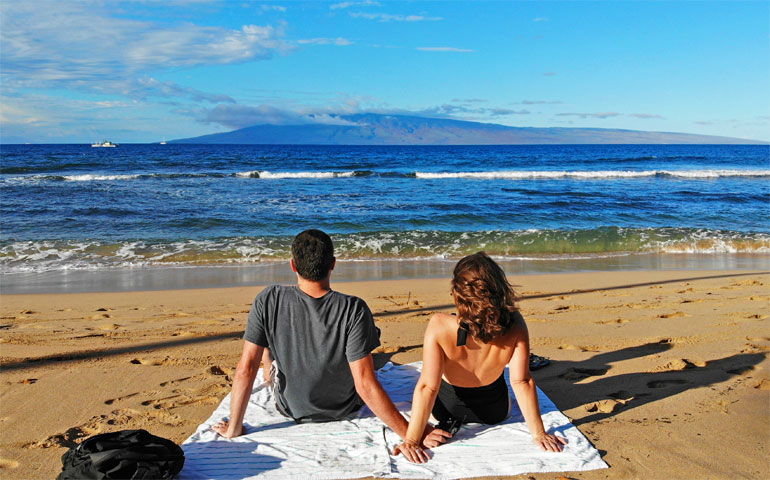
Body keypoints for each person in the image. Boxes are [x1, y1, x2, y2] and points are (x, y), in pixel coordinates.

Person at [212, 229, 449, 450]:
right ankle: (271, 362)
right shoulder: (354, 308)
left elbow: (245, 368)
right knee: (369, 337)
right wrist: (410, 433)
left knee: (265, 349)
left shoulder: (269, 298)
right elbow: (365, 384)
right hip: (343, 407)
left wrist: (234, 428)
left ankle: (269, 366)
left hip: (290, 407)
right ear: (333, 264)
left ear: (293, 265)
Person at [394, 252, 568, 463]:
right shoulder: (515, 324)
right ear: (499, 290)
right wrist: (539, 434)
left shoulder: (439, 325)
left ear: (456, 292)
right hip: (495, 412)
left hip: (445, 411)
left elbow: (428, 387)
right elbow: (521, 381)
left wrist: (412, 440)